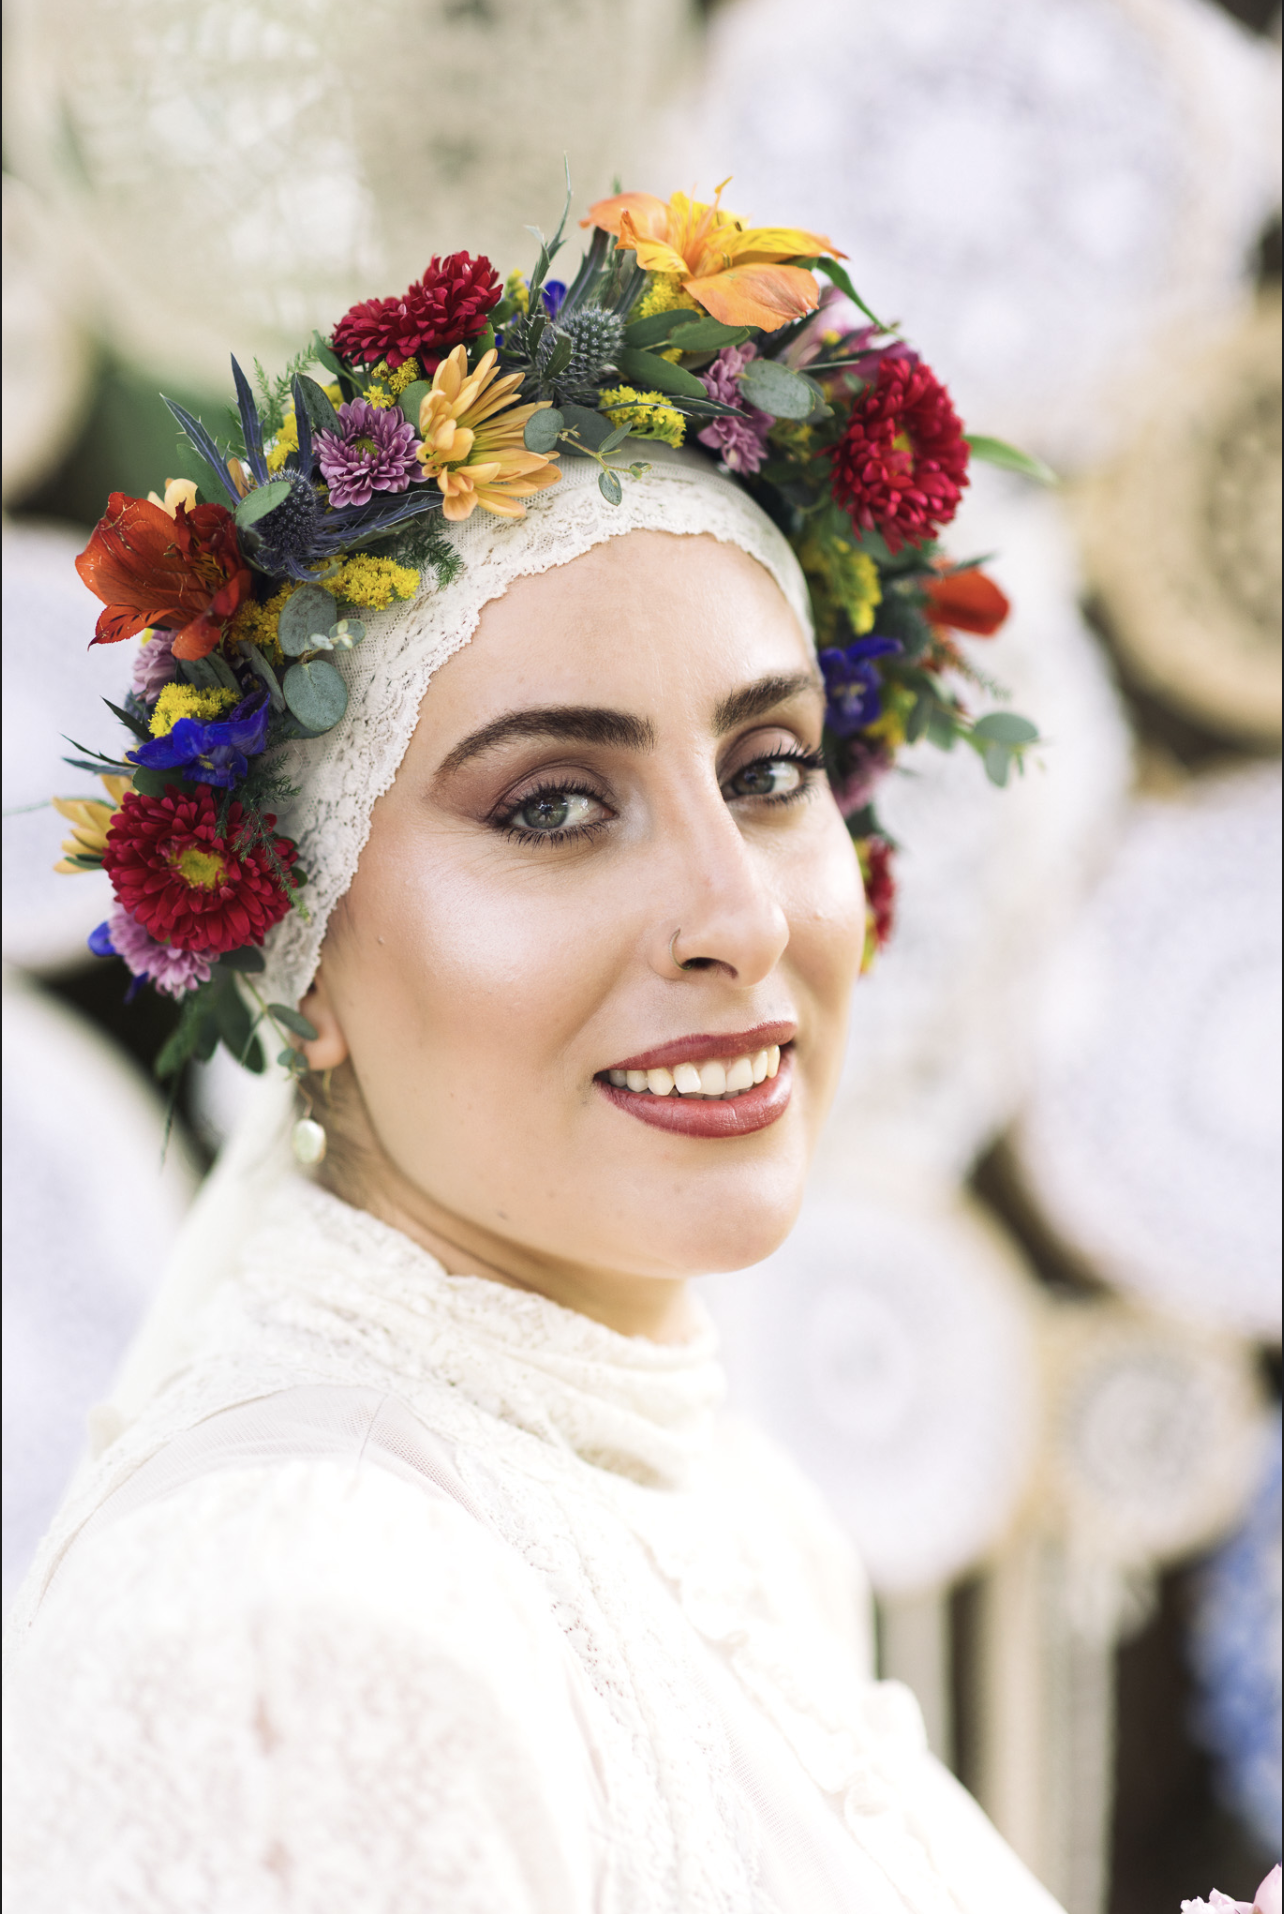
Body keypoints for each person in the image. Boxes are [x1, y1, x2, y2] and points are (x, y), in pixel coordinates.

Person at [4, 198, 1058, 1910]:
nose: (736, 910)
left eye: (771, 768)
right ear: (298, 944)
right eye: (557, 805)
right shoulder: (305, 1633)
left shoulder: (725, 1503)